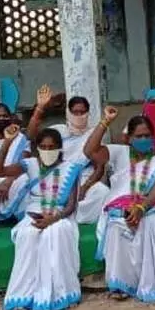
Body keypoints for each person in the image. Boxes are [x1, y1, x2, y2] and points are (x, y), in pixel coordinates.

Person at [86, 107, 155, 302]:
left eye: (147, 135)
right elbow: (90, 151)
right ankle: (120, 285)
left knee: (152, 224)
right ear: (129, 138)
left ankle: (152, 282)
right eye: (138, 136)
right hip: (119, 208)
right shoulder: (120, 153)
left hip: (152, 208)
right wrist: (105, 122)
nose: (143, 139)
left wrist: (141, 208)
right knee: (116, 225)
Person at [0, 124, 83, 310]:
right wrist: (7, 142)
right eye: (44, 147)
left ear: (60, 149)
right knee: (28, 235)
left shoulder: (72, 168)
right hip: (34, 212)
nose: (48, 151)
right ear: (37, 149)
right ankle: (22, 296)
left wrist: (54, 218)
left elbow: (71, 206)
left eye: (52, 147)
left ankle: (63, 294)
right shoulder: (30, 164)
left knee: (57, 233)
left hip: (59, 215)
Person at [28, 85, 109, 223]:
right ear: (68, 112)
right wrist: (40, 108)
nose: (79, 116)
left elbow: (99, 167)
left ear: (88, 113)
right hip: (58, 176)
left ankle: (75, 217)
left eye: (82, 112)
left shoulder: (95, 133)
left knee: (102, 191)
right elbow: (31, 135)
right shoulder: (58, 130)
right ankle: (56, 214)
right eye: (75, 112)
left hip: (83, 177)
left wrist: (85, 187)